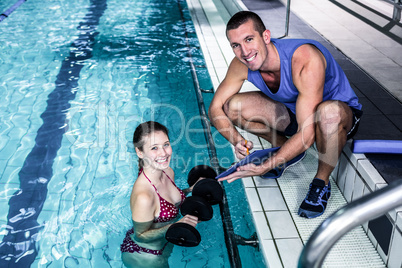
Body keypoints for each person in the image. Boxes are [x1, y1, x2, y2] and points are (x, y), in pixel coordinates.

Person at [209, 11, 362, 218]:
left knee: (327, 113)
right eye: (236, 45)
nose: (244, 52)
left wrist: (266, 166)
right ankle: (286, 149)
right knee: (232, 106)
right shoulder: (241, 65)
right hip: (292, 111)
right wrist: (237, 140)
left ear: (265, 37)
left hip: (336, 115)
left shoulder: (305, 59)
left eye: (249, 39)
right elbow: (215, 108)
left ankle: (321, 183)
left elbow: (307, 134)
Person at [121, 121, 198, 268]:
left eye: (166, 144)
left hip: (165, 243)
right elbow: (141, 236)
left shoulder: (168, 172)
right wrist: (175, 226)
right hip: (146, 256)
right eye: (154, 148)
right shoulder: (144, 196)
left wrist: (190, 190)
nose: (163, 153)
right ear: (139, 152)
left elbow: (170, 198)